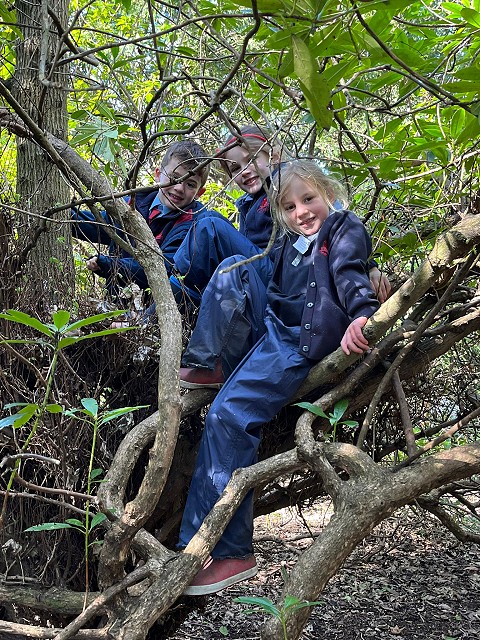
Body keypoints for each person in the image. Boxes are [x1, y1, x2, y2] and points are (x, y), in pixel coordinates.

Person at [178, 159, 380, 596]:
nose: (301, 211)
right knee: (235, 265)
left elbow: (349, 273)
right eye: (289, 206)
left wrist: (362, 315)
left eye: (309, 199)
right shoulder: (289, 244)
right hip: (271, 334)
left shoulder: (341, 227)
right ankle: (209, 362)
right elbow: (262, 273)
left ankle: (227, 553)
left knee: (227, 418)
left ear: (328, 193)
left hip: (295, 346)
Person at [178, 127, 390, 387]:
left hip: (279, 271)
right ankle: (181, 297)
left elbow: (333, 217)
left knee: (209, 224)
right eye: (235, 169)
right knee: (215, 253)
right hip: (259, 274)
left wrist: (370, 265)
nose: (245, 170)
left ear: (274, 156)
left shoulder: (285, 183)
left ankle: (173, 282)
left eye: (252, 158)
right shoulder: (248, 203)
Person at [71, 140, 226, 317]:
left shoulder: (193, 225)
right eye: (174, 177)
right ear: (158, 174)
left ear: (199, 192)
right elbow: (99, 225)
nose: (178, 188)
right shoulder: (133, 203)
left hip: (155, 314)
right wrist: (65, 216)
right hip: (116, 304)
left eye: (190, 184)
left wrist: (109, 265)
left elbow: (163, 268)